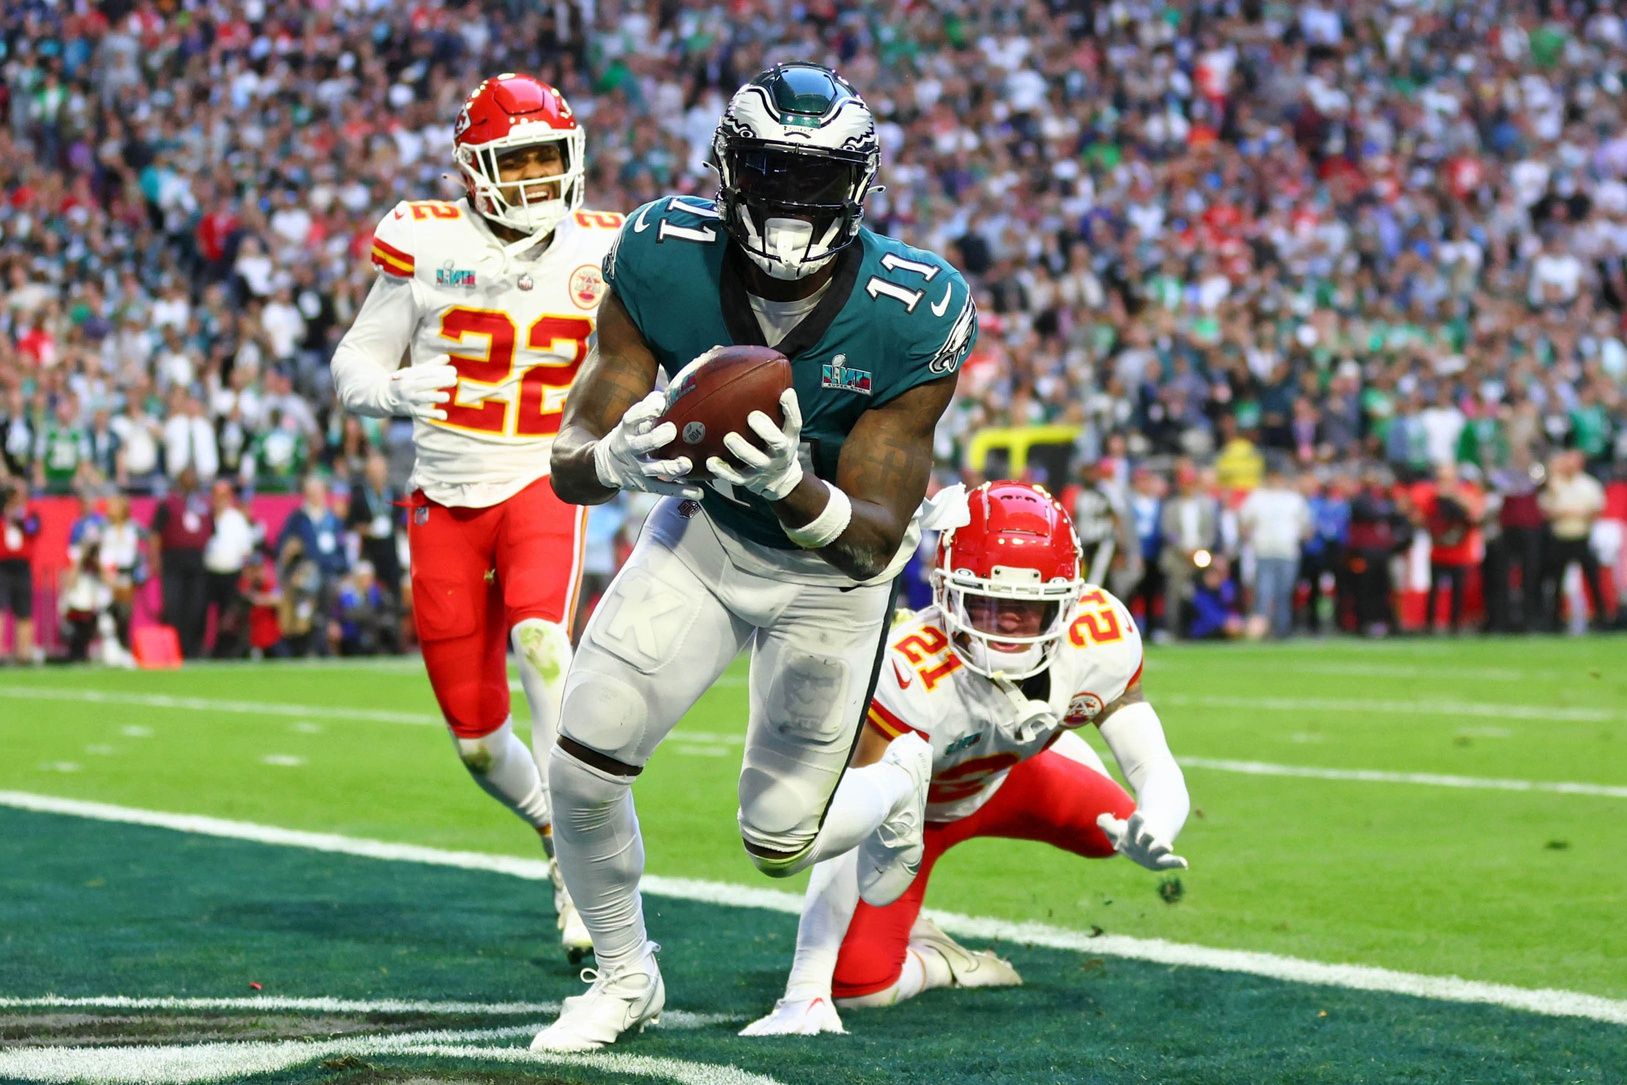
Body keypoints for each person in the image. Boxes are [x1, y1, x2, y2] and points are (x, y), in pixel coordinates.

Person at [536, 63, 977, 1051]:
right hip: (707, 539)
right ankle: (623, 975)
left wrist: (794, 484)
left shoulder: (912, 306)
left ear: (857, 185)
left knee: (780, 839)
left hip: (831, 581)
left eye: (813, 179)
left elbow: (872, 537)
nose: (789, 203)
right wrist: (612, 456)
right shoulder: (660, 251)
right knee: (581, 759)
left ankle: (900, 776)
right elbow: (570, 465)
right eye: (773, 174)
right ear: (729, 171)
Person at [330, 73, 623, 961]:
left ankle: (581, 865)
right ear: (473, 169)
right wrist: (388, 389)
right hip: (444, 496)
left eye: (548, 158)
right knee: (474, 740)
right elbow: (354, 363)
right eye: (516, 160)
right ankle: (548, 823)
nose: (537, 179)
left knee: (544, 641)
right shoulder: (423, 240)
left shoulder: (607, 246)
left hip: (542, 476)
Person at [740, 482, 1189, 1036]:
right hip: (912, 819)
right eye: (986, 602)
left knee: (1110, 833)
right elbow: (853, 821)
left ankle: (1055, 743)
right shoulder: (910, 672)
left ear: (1068, 600)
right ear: (947, 589)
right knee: (860, 990)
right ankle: (945, 960)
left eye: (1028, 610)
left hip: (1009, 779)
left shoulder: (1098, 638)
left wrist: (1161, 819)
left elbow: (1152, 763)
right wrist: (805, 988)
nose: (1002, 623)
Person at [1538, 450, 1606, 631]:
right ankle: (1555, 619)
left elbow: (1596, 509)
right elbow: (1546, 509)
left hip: (1581, 536)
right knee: (1557, 580)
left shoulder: (1589, 484)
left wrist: (1573, 513)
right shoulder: (1555, 484)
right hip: (1560, 536)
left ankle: (1602, 617)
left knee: (1592, 579)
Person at [149, 466, 214, 658]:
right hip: (173, 560)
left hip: (197, 561)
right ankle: (172, 649)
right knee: (173, 606)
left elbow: (210, 532)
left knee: (196, 606)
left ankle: (192, 649)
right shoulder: (168, 504)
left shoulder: (202, 505)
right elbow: (155, 534)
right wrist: (155, 560)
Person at [0, 481, 40, 664]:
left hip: (22, 567)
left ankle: (23, 654)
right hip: (2, 566)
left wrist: (18, 518)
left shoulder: (30, 514)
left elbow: (33, 529)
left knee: (24, 611)